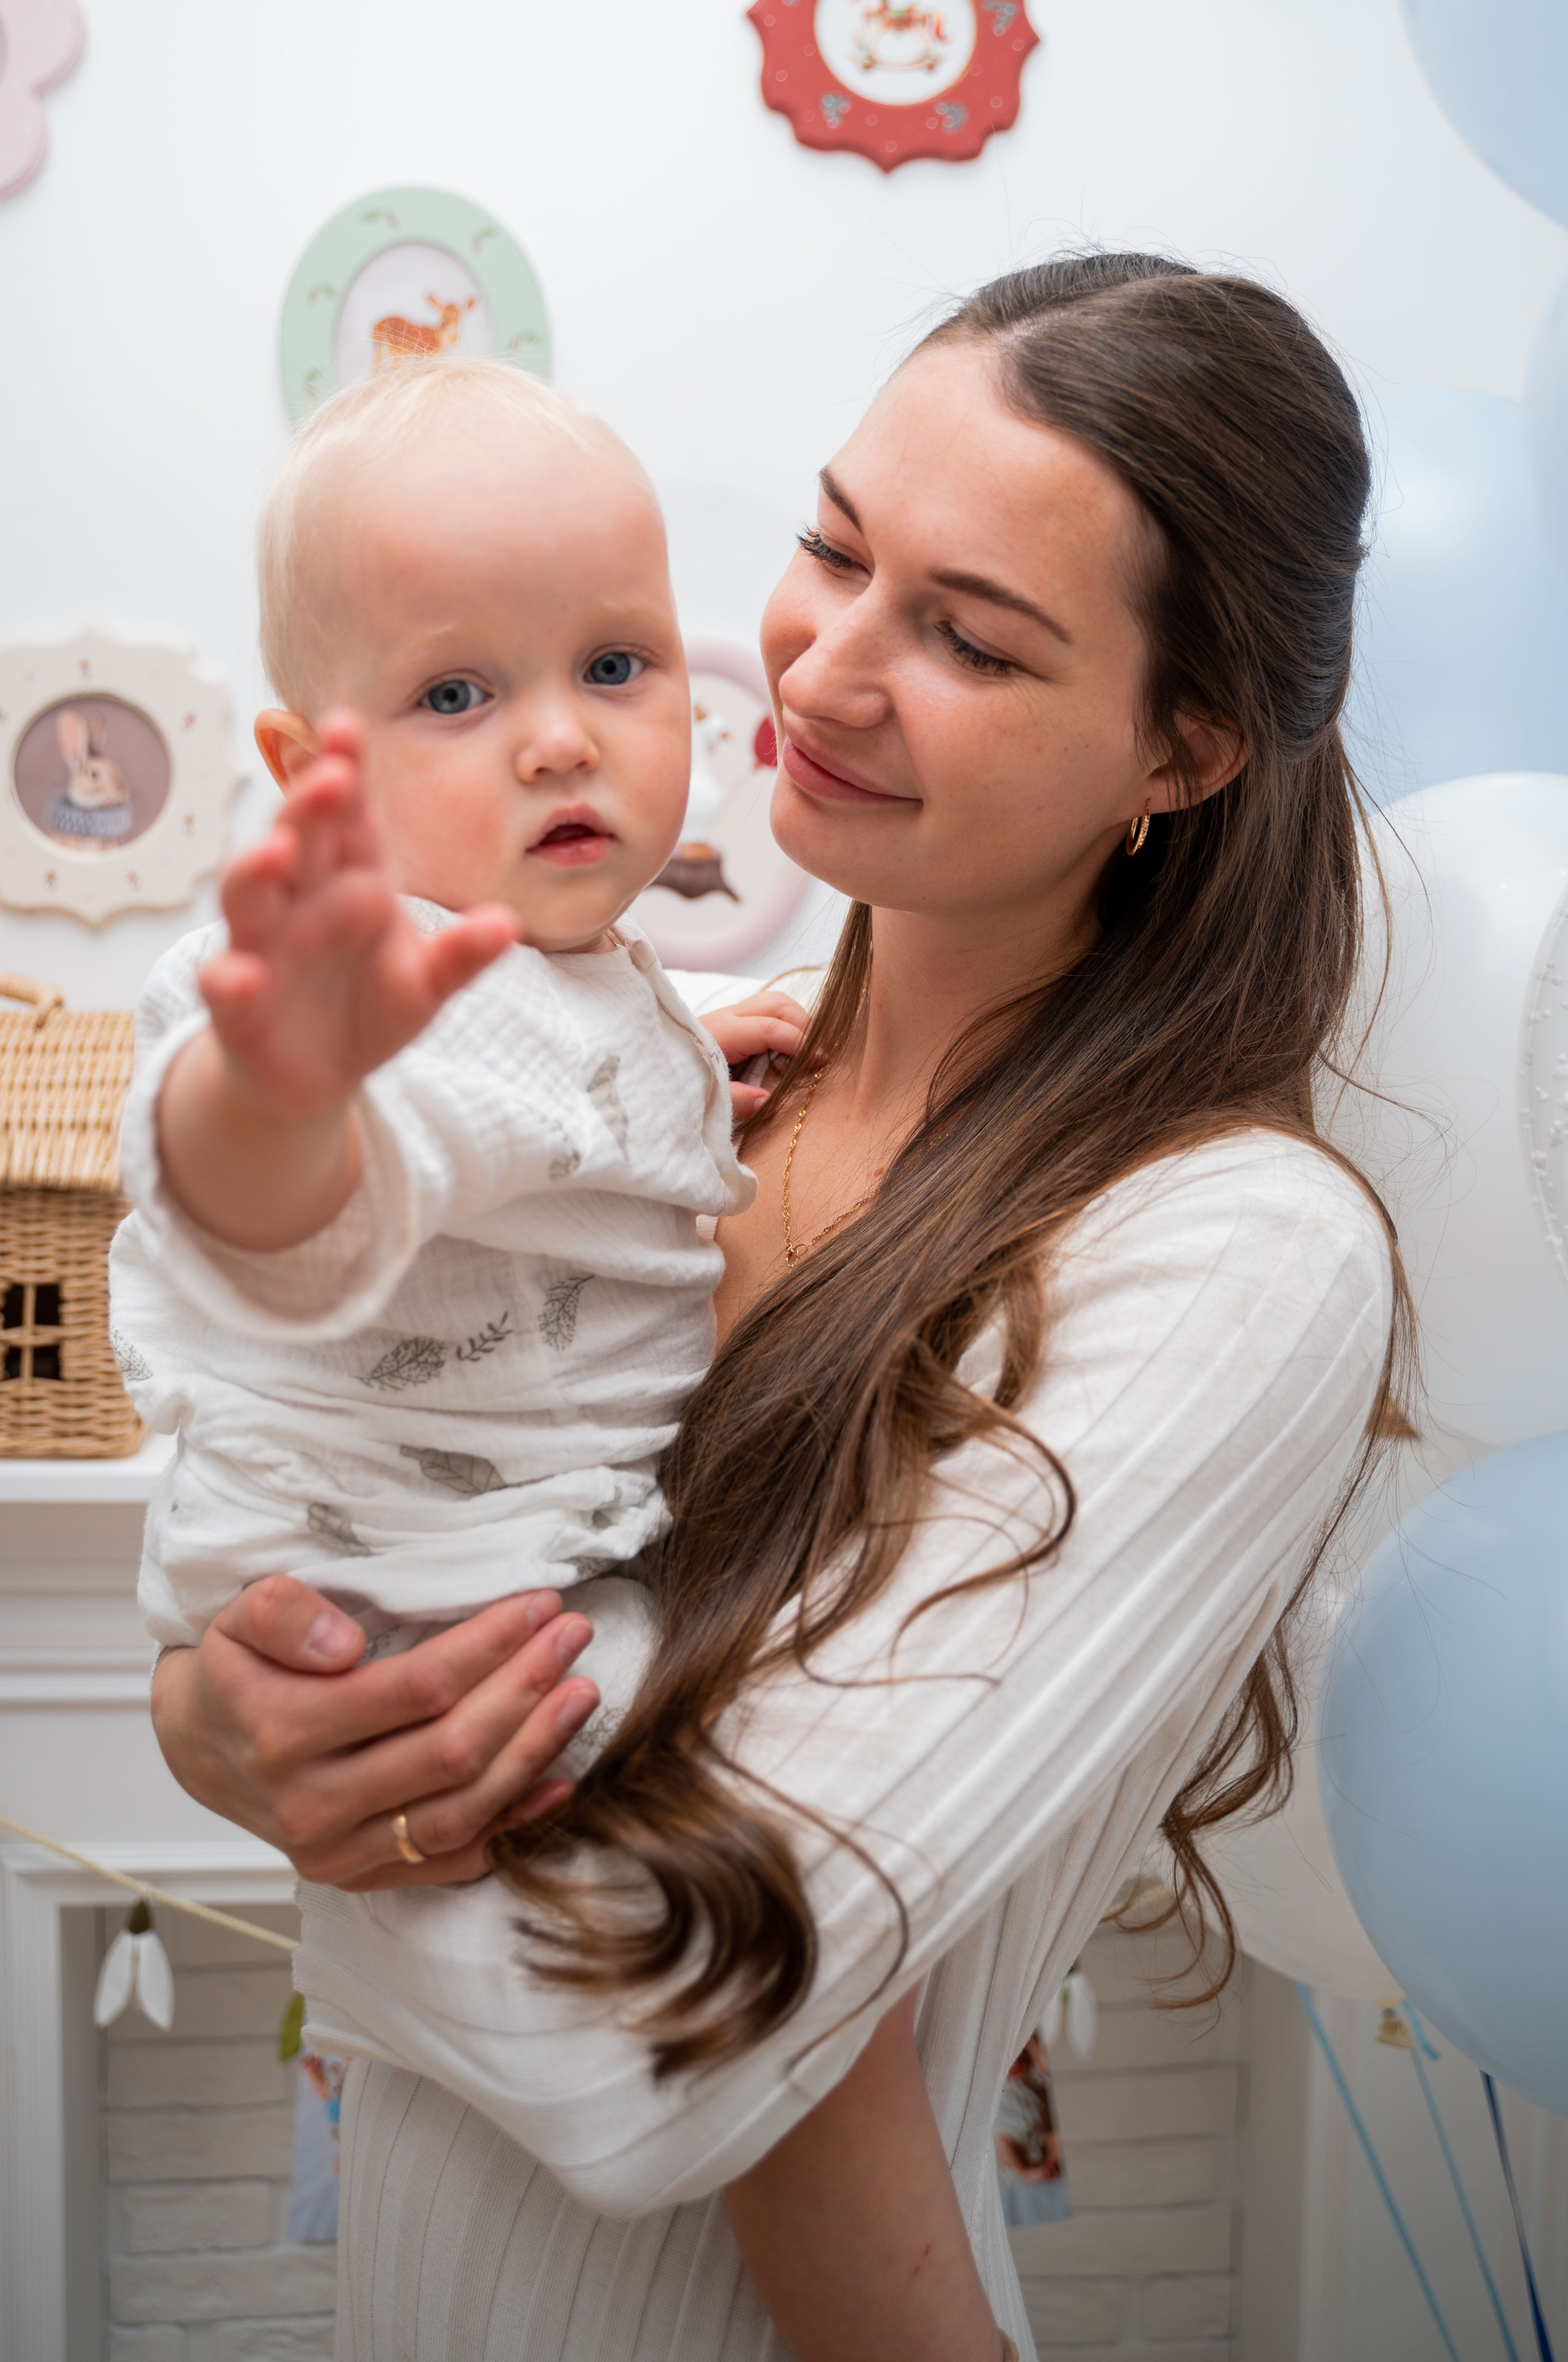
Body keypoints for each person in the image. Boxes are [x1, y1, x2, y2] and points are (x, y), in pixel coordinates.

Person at [148, 254, 1405, 2362]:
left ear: (1180, 750)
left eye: (970, 637)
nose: (822, 666)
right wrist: (213, 1719)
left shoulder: (1228, 1248)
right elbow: (288, 1438)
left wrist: (350, 1852)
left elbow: (671, 2036)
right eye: (835, 546)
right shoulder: (652, 1093)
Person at [113, 353, 1010, 2358]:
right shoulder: (387, 999)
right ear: (310, 767)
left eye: (615, 664)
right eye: (456, 694)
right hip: (434, 1597)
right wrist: (279, 1090)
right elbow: (299, 1209)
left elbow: (585, 1082)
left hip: (475, 1569)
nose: (557, 738)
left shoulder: (591, 983)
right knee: (777, 1926)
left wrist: (701, 1056)